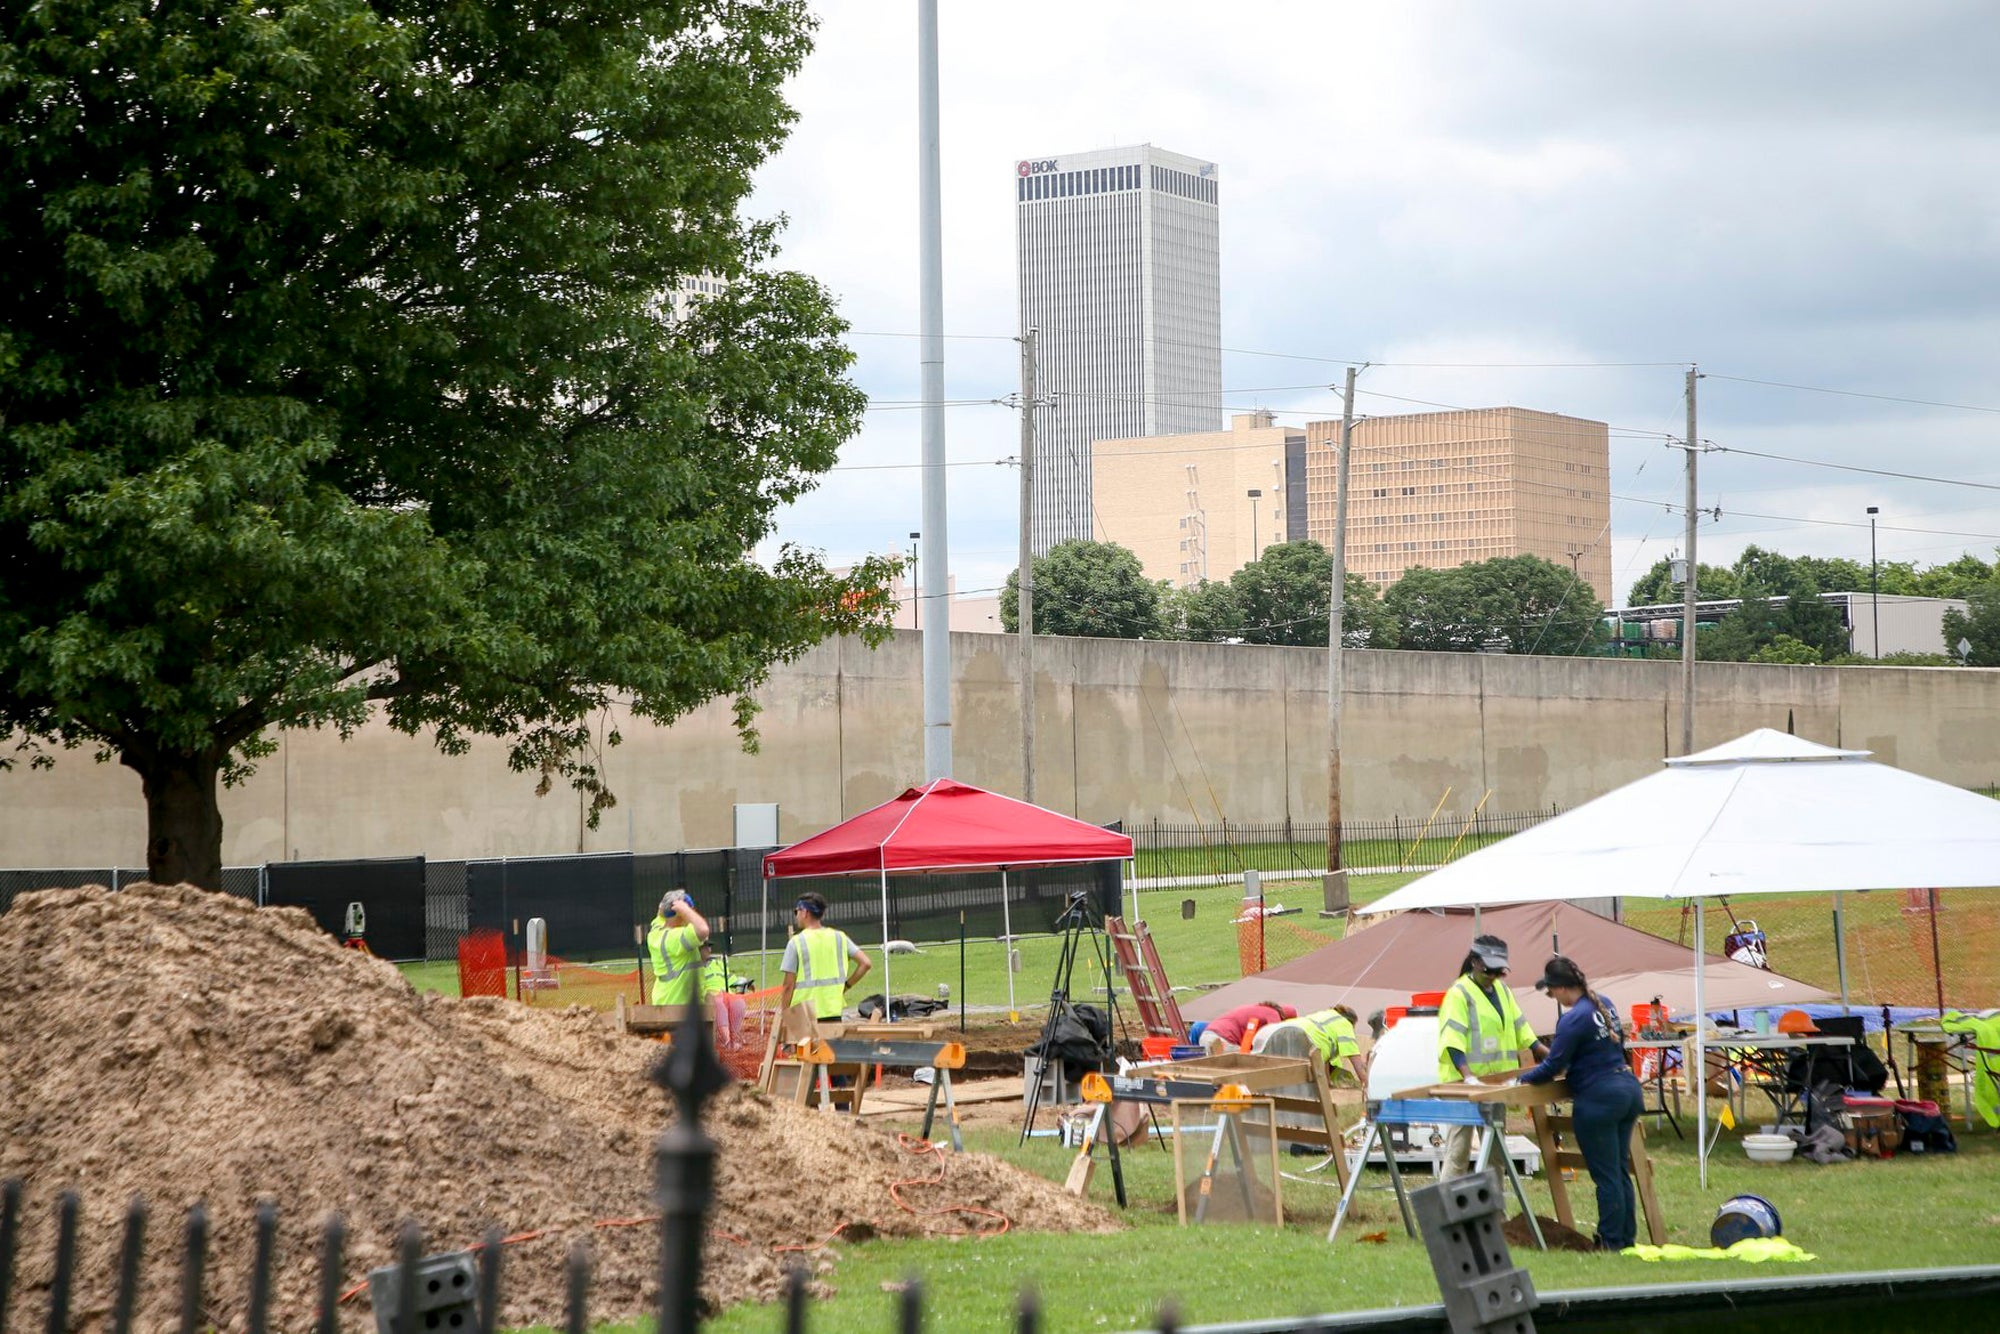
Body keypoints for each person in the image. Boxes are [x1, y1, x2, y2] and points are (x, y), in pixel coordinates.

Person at [1518, 955, 1645, 1252]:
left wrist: (1523, 1081)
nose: (1552, 997)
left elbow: (1553, 1066)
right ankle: (1625, 1238)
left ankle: (1610, 1243)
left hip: (1600, 1098)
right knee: (1618, 1169)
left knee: (1606, 1175)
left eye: (1550, 992)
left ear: (1562, 988)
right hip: (1626, 1088)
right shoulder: (1604, 1003)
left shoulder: (1572, 1019)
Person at [1436, 934, 1547, 1179]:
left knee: (1495, 1152)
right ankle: (1449, 1213)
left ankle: (1495, 1212)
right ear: (1474, 962)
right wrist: (1468, 1077)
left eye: (1499, 972)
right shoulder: (1459, 994)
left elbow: (1522, 1030)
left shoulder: (1503, 991)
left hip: (1496, 1084)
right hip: (1462, 1088)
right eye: (1488, 971)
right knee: (1458, 1151)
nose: (1493, 976)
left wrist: (1552, 1057)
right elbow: (1452, 1040)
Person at [778, 892, 872, 1023]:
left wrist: (784, 1013)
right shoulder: (840, 937)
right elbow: (865, 963)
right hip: (832, 1009)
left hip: (803, 1012)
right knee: (829, 1045)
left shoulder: (797, 942)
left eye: (796, 911)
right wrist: (846, 986)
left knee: (802, 1044)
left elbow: (788, 985)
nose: (796, 916)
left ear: (804, 912)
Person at [1256, 1004, 1364, 1083]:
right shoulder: (1344, 1024)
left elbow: (1324, 1062)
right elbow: (1356, 1061)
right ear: (1351, 1022)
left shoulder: (1324, 1015)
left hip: (1279, 1030)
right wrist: (1367, 1084)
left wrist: (1328, 1085)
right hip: (1301, 1039)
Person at [645, 889, 709, 1007]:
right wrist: (685, 909)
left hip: (664, 1002)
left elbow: (661, 910)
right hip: (680, 1007)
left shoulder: (656, 930)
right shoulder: (676, 938)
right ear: (680, 914)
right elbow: (703, 929)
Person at [1199, 1000, 1296, 1054]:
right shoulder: (1272, 1013)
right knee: (1243, 1067)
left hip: (1207, 1036)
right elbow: (1276, 1035)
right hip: (1222, 1040)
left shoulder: (1255, 1009)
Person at [700, 944, 747, 1051]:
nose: (709, 949)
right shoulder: (693, 967)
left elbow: (730, 978)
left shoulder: (718, 963)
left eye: (709, 947)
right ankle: (727, 1041)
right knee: (718, 1003)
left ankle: (733, 1036)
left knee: (739, 1003)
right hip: (708, 996)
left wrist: (745, 982)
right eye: (705, 947)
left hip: (725, 993)